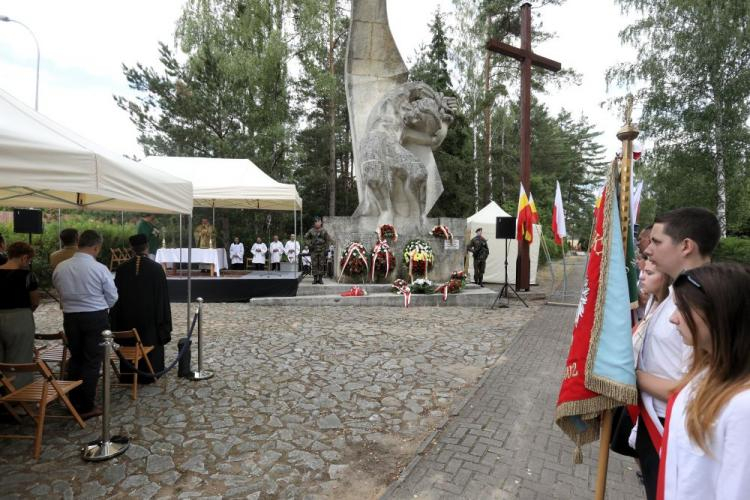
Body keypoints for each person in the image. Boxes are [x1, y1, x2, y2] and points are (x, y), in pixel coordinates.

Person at [634, 207, 720, 500]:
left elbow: (692, 385)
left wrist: (629, 376)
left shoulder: (701, 306)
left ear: (686, 246)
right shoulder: (675, 294)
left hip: (670, 427)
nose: (648, 248)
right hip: (655, 421)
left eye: (657, 242)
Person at [660, 264, 750, 499]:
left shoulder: (743, 407)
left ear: (718, 313)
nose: (673, 318)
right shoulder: (703, 372)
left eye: (682, 308)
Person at [53, 230, 118, 420]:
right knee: (91, 361)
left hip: (71, 317)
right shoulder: (99, 268)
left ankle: (74, 400)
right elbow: (112, 296)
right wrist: (101, 305)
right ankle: (86, 405)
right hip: (95, 316)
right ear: (96, 247)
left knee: (76, 358)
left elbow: (59, 289)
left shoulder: (61, 267)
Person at [110, 234, 172, 382]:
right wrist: (163, 322)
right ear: (147, 247)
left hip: (127, 320)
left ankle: (129, 374)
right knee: (150, 344)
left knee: (130, 341)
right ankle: (150, 373)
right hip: (150, 321)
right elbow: (162, 299)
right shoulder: (156, 269)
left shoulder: (122, 269)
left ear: (131, 248)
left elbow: (116, 298)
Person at [0, 242, 39, 388]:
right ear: (24, 258)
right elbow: (35, 301)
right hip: (19, 318)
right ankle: (18, 399)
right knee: (20, 359)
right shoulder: (28, 275)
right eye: (29, 260)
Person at [304, 218, 332, 284]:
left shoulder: (324, 231)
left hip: (322, 250)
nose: (317, 223)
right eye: (316, 222)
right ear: (314, 223)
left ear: (321, 223)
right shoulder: (311, 230)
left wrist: (326, 248)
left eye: (318, 222)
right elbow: (306, 238)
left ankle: (320, 279)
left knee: (321, 264)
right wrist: (309, 244)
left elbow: (328, 240)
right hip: (314, 250)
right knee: (314, 264)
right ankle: (315, 278)